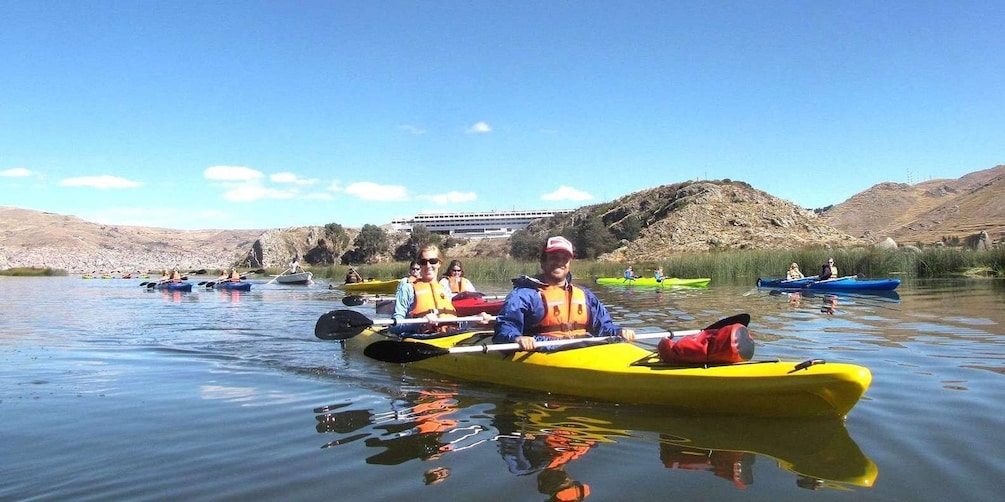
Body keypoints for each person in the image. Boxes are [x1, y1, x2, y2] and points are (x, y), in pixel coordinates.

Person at [494, 236, 635, 351]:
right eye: (554, 257)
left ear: (569, 264)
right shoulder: (524, 295)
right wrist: (516, 338)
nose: (559, 262)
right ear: (543, 262)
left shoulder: (585, 294)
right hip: (544, 348)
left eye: (564, 259)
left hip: (584, 345)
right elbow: (506, 326)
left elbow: (604, 326)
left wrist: (619, 331)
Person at [391, 245, 485, 336]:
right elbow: (394, 327)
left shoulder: (444, 289)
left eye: (433, 261)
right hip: (421, 337)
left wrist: (475, 319)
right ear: (419, 264)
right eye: (423, 262)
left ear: (439, 263)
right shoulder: (408, 288)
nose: (428, 265)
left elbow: (455, 322)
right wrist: (420, 322)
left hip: (450, 334)